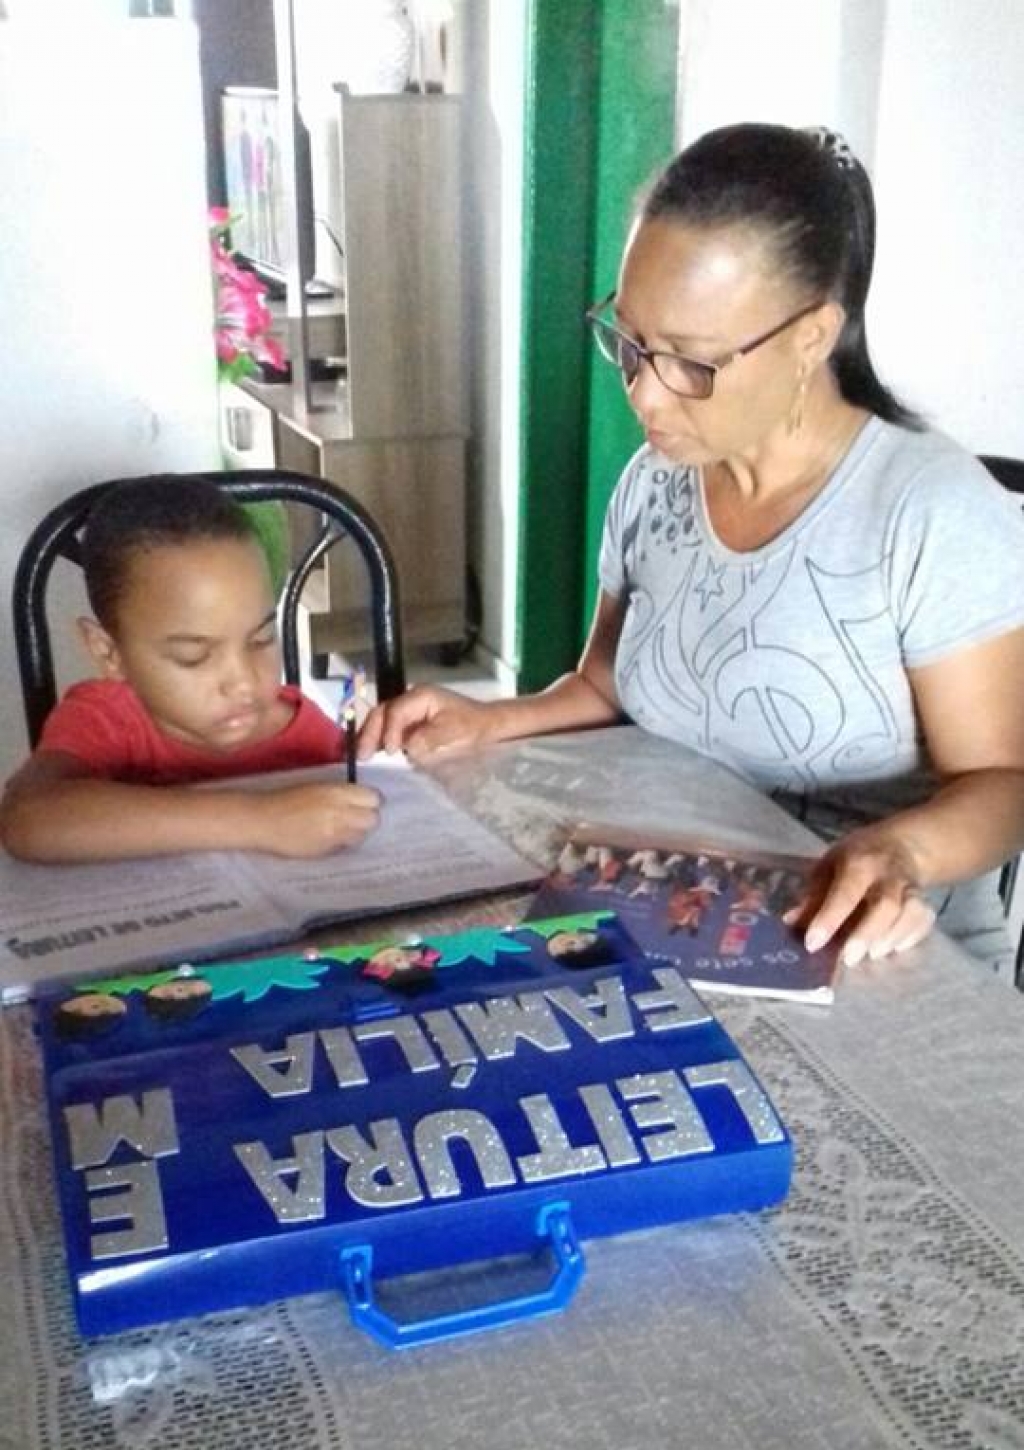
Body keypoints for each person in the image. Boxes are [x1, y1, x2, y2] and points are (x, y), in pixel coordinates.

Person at [359, 123, 1024, 971]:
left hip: (871, 947)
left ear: (813, 337)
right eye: (631, 342)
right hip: (680, 905)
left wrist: (902, 852)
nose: (644, 394)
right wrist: (489, 719)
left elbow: (1005, 783)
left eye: (691, 362)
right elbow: (604, 681)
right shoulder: (658, 481)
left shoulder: (930, 511)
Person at [0, 475, 380, 864]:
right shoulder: (105, 719)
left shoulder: (302, 730)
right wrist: (259, 821)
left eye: (262, 639)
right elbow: (25, 819)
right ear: (109, 653)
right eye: (192, 656)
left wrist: (405, 749)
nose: (243, 683)